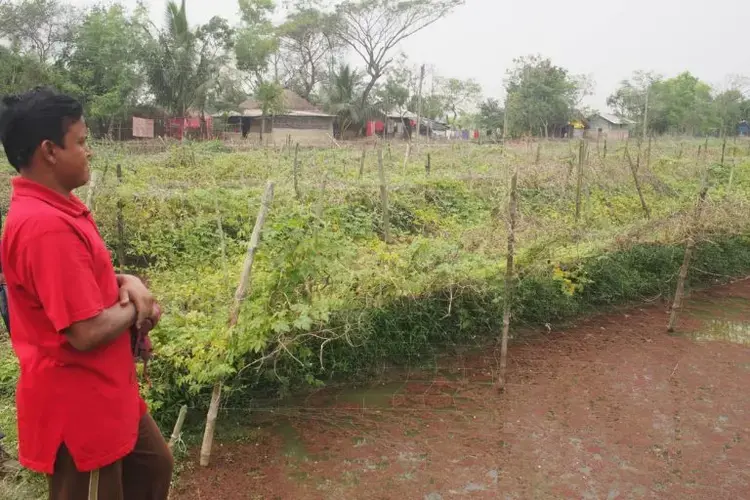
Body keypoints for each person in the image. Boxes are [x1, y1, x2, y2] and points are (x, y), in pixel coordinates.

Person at [0, 87, 173, 499]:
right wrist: (136, 309)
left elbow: (78, 282)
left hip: (107, 390)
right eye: (81, 141)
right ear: (50, 151)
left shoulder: (59, 210)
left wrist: (125, 281)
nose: (89, 152)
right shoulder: (46, 228)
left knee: (152, 468)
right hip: (80, 407)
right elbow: (84, 331)